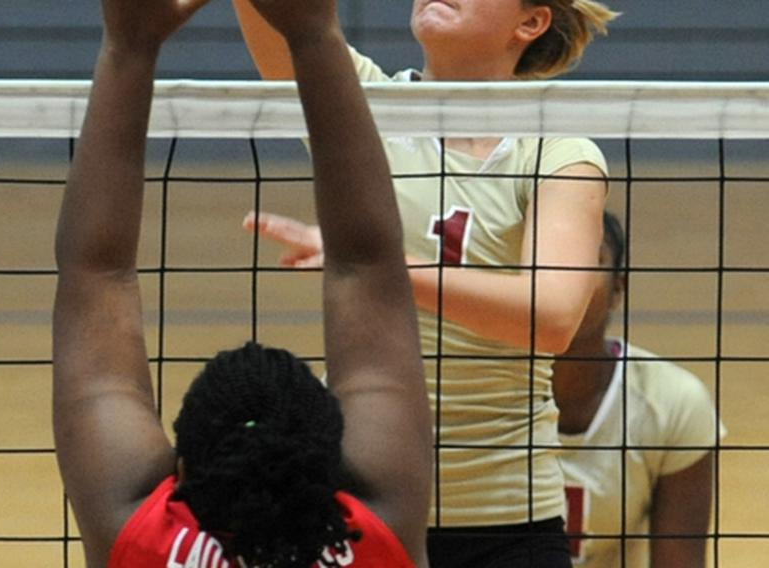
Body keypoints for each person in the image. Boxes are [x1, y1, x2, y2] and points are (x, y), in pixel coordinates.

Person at [234, 1, 618, 566]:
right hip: (354, 505)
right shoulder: (362, 104)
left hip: (504, 519)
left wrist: (379, 263)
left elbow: (552, 317)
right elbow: (282, 20)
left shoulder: (559, 153)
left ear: (529, 23)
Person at [51, 0, 432, 566]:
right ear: (335, 463)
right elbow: (369, 264)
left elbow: (96, 274)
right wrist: (315, 32)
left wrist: (127, 46)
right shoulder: (379, 533)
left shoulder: (137, 540)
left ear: (180, 469)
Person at [553, 211, 724, 568]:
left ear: (619, 287)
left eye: (589, 260)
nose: (567, 278)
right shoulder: (471, 390)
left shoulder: (674, 402)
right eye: (551, 259)